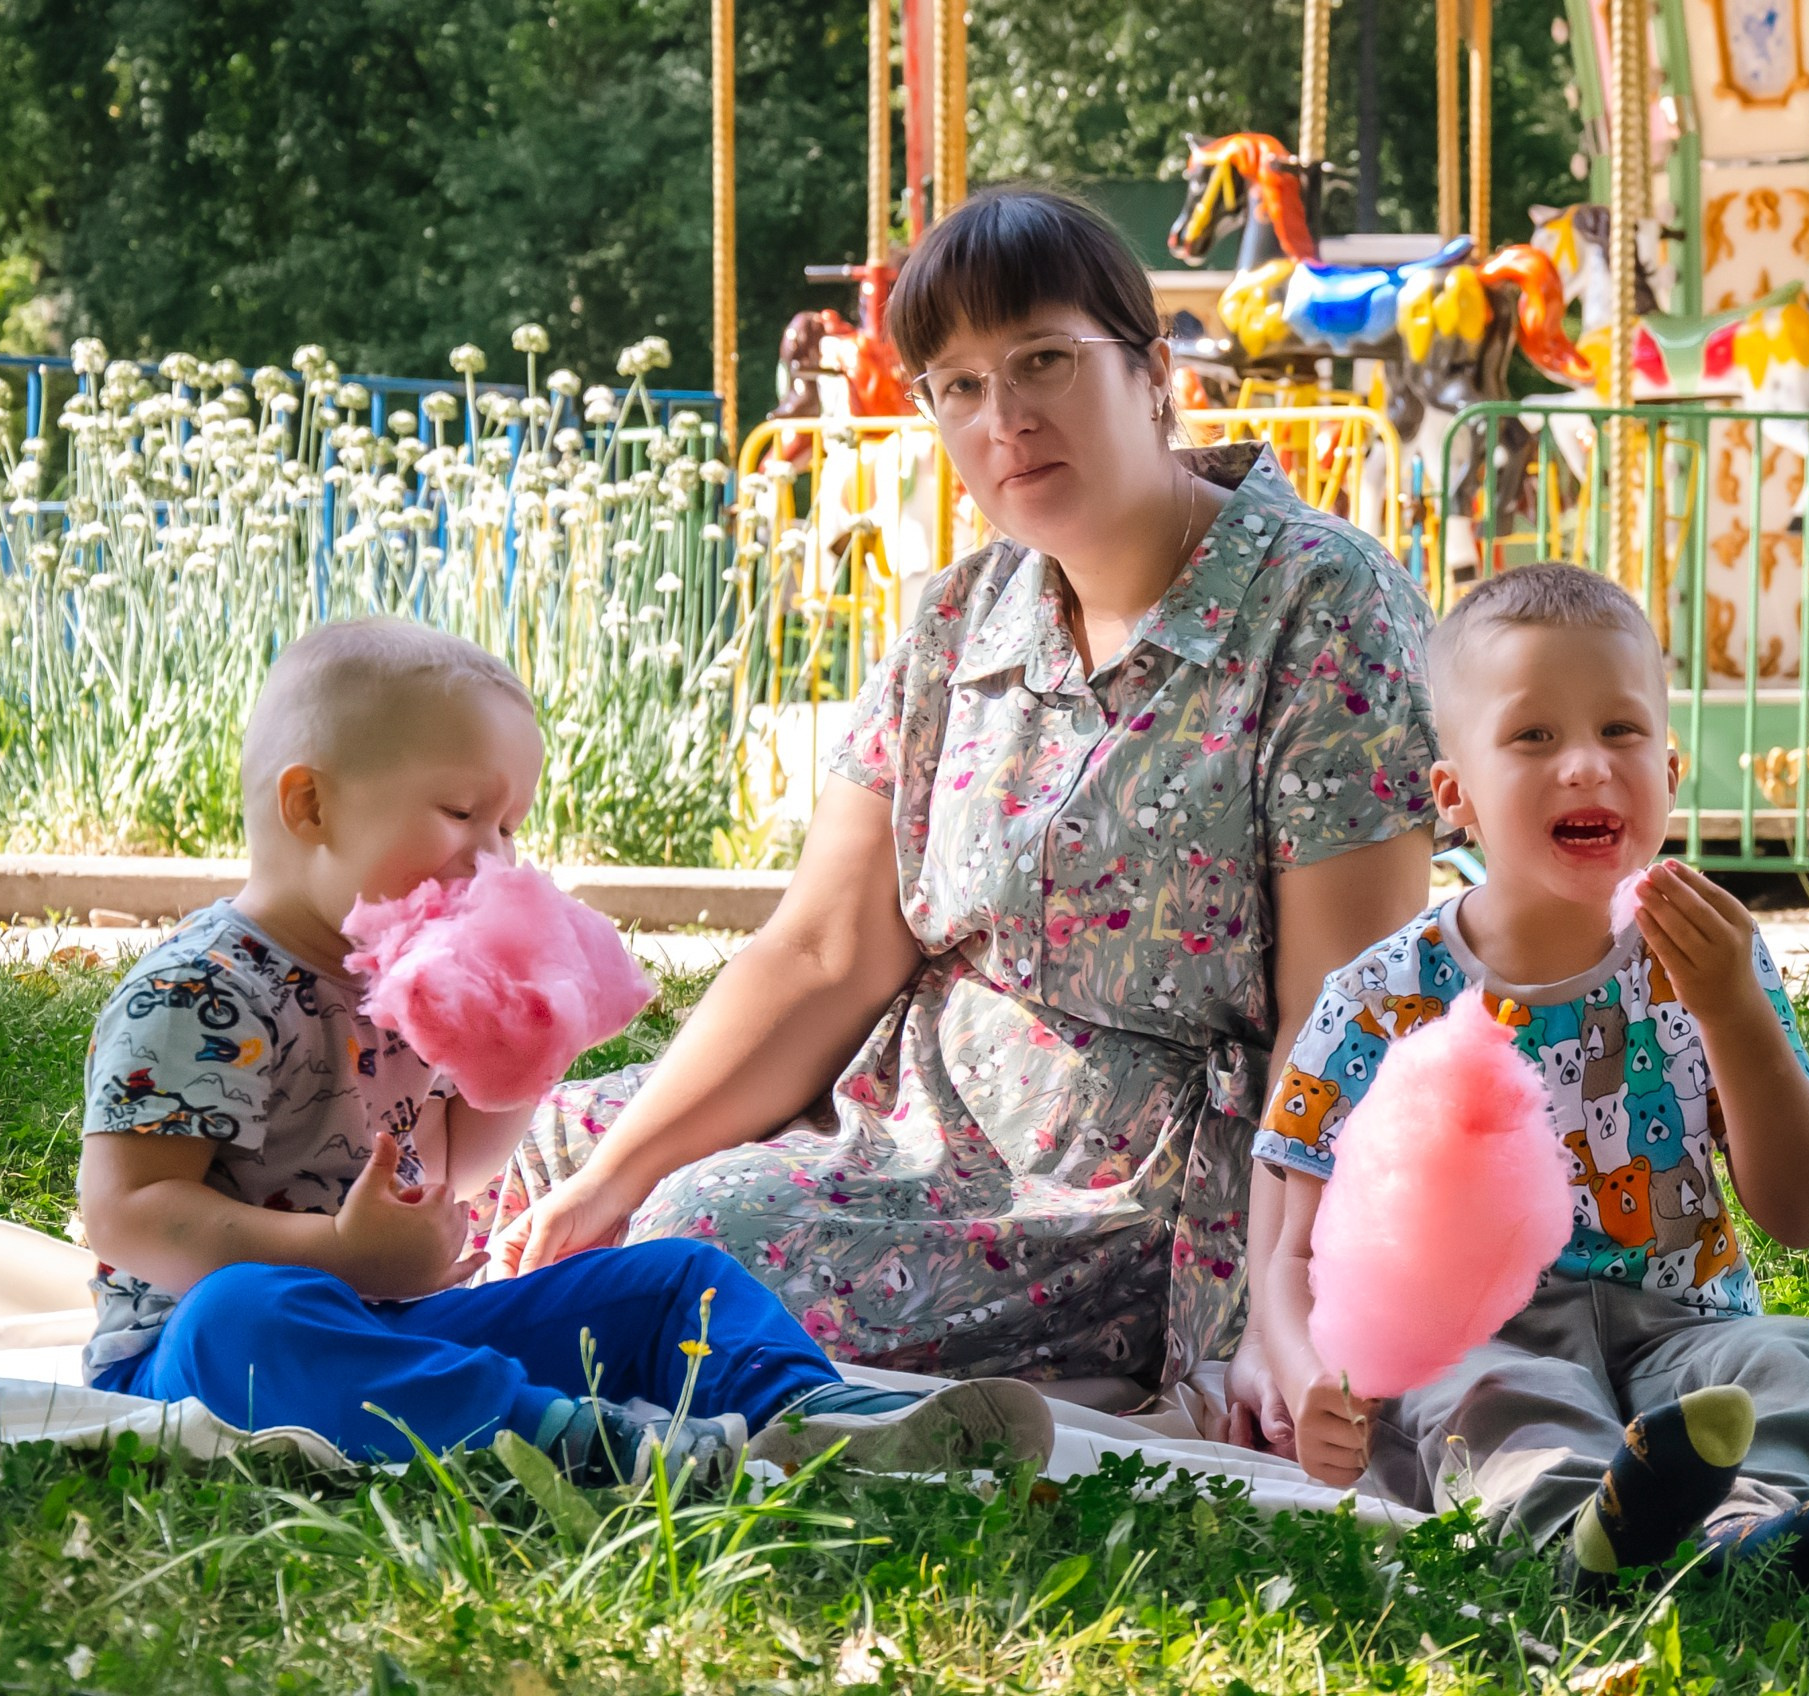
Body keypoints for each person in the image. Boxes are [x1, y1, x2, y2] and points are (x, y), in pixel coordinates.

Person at [487, 186, 1439, 1393]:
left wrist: (1283, 1304)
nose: (1006, 419)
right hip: (898, 1104)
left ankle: (459, 1371)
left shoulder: (1323, 605)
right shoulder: (955, 618)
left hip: (1114, 1190)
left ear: (1154, 372)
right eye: (960, 386)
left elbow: (1343, 1012)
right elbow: (824, 953)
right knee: (539, 1152)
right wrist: (605, 1172)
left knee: (700, 1240)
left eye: (1044, 360)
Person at [74, 619, 1053, 1481]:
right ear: (311, 806)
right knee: (244, 1310)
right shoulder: (200, 992)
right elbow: (124, 1210)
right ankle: (566, 1445)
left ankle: (816, 1420)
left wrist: (519, 1060)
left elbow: (459, 1157)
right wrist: (335, 1252)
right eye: (462, 814)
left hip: (396, 1327)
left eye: (509, 827)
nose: (495, 857)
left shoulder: (406, 978)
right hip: (197, 1355)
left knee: (677, 1275)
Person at [1238, 564, 1809, 1600]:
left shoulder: (1712, 959)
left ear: (1670, 771)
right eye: (1533, 736)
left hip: (1688, 1337)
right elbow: (1288, 1247)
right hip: (1483, 1341)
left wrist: (1728, 1008)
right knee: (1495, 1400)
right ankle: (1583, 1543)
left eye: (1621, 731)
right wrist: (1300, 1369)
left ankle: (1755, 1530)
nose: (1586, 764)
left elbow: (1806, 1213)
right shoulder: (1384, 995)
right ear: (1454, 796)